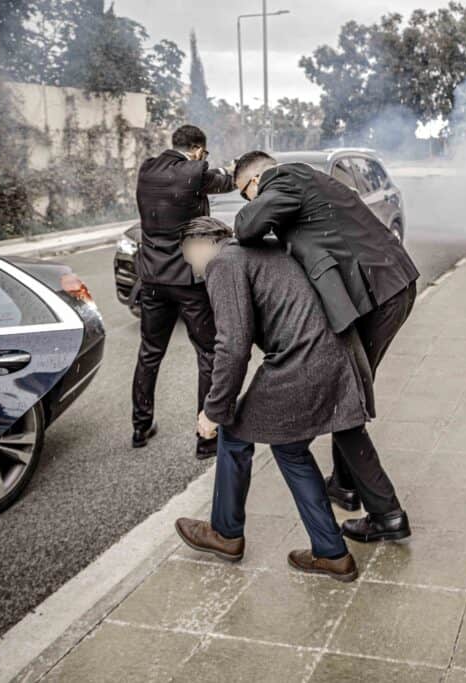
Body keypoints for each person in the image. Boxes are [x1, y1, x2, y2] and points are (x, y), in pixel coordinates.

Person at [231, 151, 418, 543]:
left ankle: (386, 514)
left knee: (343, 396)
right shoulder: (305, 181)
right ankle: (347, 486)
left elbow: (247, 227)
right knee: (345, 390)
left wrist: (251, 205)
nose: (251, 202)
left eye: (246, 193)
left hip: (380, 292)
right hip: (384, 287)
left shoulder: (283, 179)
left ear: (255, 181)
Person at [174, 217, 368, 582]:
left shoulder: (223, 262)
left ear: (199, 243)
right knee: (290, 449)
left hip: (300, 361)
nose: (192, 269)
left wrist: (214, 410)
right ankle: (331, 553)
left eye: (188, 257)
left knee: (233, 433)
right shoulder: (259, 247)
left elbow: (232, 346)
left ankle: (226, 534)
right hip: (334, 353)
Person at [131, 125, 235, 459]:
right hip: (189, 281)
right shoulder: (196, 171)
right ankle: (206, 440)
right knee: (207, 354)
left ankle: (140, 426)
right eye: (203, 153)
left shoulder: (147, 169)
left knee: (149, 351)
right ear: (196, 149)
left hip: (152, 279)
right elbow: (228, 181)